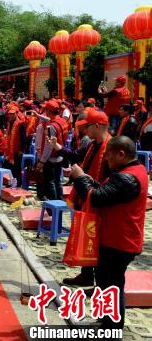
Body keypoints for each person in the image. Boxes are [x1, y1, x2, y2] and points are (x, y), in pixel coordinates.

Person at [72, 136, 147, 330]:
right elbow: (108, 192)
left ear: (121, 154)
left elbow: (97, 198)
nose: (106, 160)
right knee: (106, 283)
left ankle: (111, 329)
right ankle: (107, 322)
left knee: (112, 286)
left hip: (119, 242)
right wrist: (91, 180)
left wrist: (80, 178)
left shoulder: (127, 177)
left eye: (109, 156)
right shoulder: (133, 172)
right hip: (116, 238)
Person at [54, 109, 111, 288]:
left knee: (97, 242)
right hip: (85, 195)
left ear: (96, 126)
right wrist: (58, 148)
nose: (85, 131)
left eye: (87, 127)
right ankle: (86, 276)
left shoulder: (110, 147)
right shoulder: (92, 145)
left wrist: (87, 180)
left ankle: (98, 284)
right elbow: (77, 156)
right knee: (86, 239)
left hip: (99, 199)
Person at [37, 100, 67, 201]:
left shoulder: (52, 126)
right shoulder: (62, 121)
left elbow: (48, 146)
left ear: (49, 111)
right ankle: (60, 200)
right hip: (60, 154)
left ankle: (53, 206)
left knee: (50, 182)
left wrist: (42, 161)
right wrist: (37, 115)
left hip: (52, 157)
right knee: (58, 181)